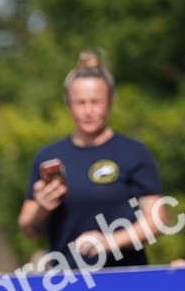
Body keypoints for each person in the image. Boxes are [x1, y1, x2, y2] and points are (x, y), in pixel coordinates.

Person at [18, 51, 165, 267]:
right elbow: (27, 228)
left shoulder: (134, 152)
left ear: (111, 101)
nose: (88, 110)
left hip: (125, 279)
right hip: (64, 281)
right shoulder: (48, 156)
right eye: (80, 102)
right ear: (68, 103)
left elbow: (157, 220)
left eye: (96, 102)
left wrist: (109, 242)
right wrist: (43, 208)